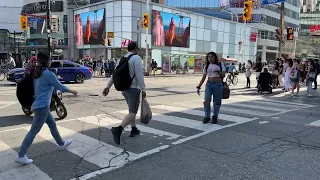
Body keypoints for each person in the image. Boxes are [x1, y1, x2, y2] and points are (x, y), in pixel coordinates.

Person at [16, 52, 78, 165]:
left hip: (40, 105)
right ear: (47, 62)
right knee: (33, 131)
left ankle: (61, 143)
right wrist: (73, 91)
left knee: (52, 124)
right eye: (50, 60)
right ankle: (21, 155)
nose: (51, 62)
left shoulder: (37, 72)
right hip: (42, 106)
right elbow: (60, 86)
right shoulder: (48, 74)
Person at [102, 42, 146, 145]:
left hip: (124, 89)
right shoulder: (136, 58)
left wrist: (108, 86)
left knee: (131, 110)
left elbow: (114, 74)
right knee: (133, 112)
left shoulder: (122, 59)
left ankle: (134, 129)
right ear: (135, 49)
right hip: (133, 89)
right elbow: (140, 75)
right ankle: (118, 129)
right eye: (138, 49)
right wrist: (143, 89)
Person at [196, 52, 226, 124]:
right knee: (206, 101)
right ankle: (207, 116)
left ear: (215, 57)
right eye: (209, 57)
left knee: (217, 102)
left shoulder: (220, 64)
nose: (210, 58)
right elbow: (204, 77)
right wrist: (199, 86)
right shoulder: (207, 66)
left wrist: (218, 71)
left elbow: (223, 75)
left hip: (218, 85)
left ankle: (215, 116)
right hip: (209, 84)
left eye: (212, 57)